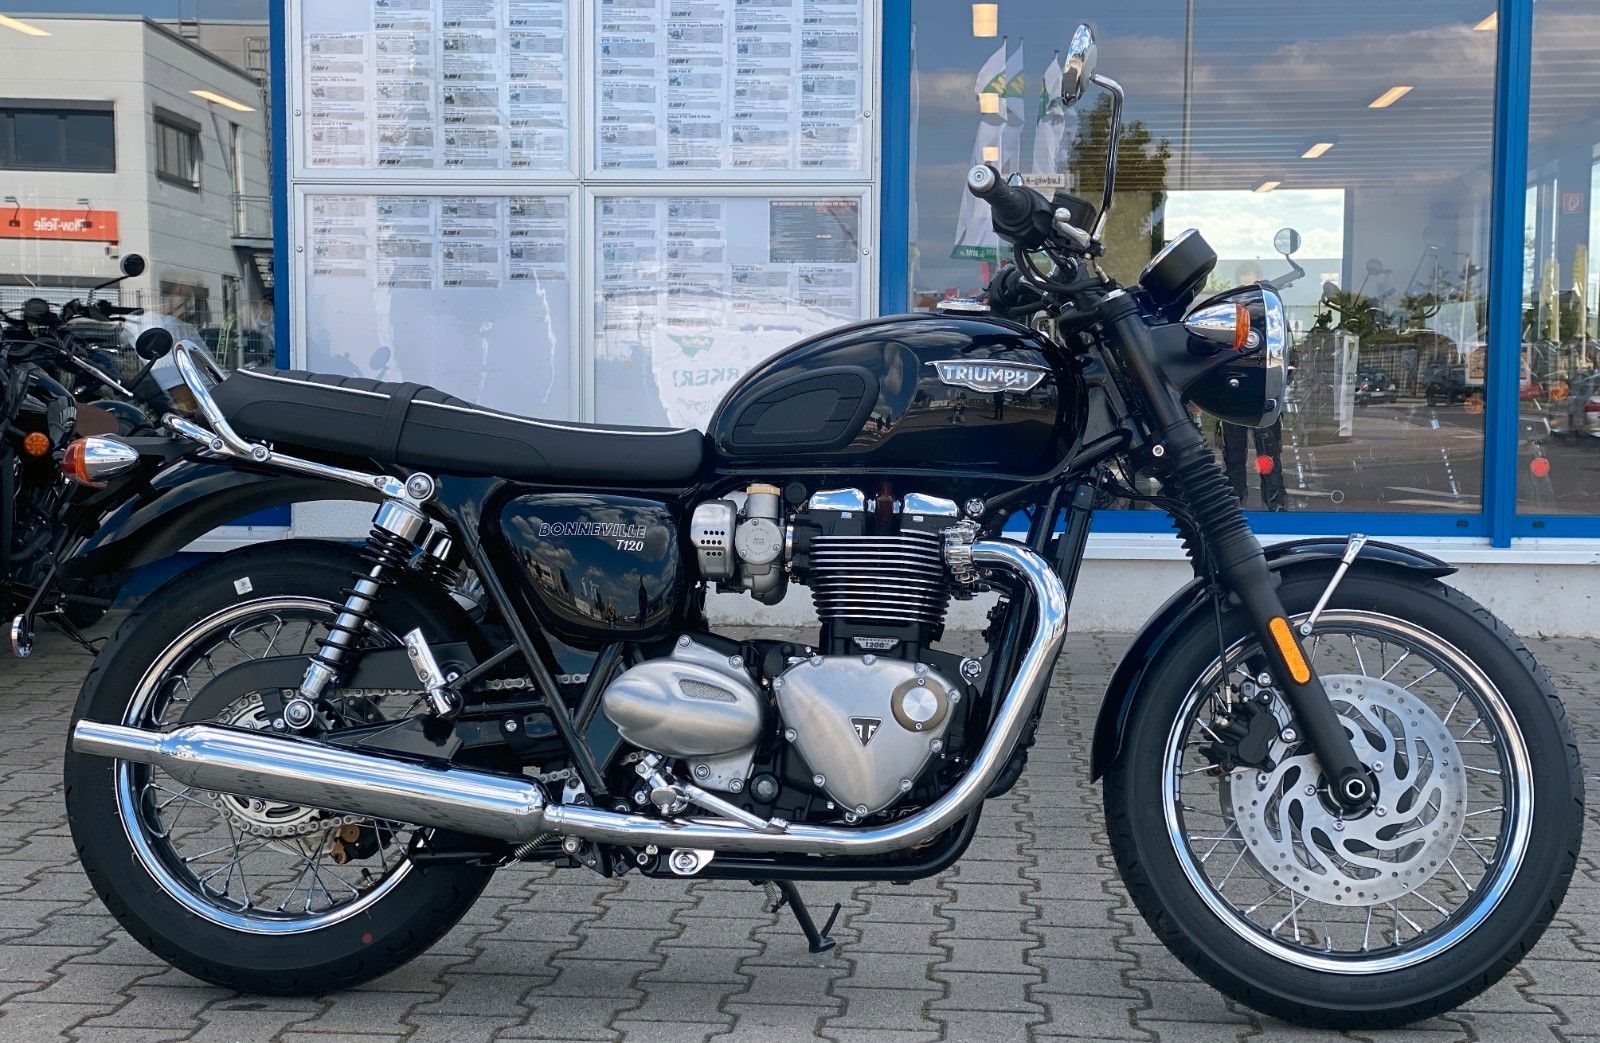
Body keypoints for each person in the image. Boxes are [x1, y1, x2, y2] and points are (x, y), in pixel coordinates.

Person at [1219, 260, 1287, 510]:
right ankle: (1235, 501)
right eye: (1243, 284)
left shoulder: (1270, 317)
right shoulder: (1230, 314)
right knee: (1234, 452)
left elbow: (1284, 351)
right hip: (1236, 391)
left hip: (1262, 391)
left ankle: (1275, 503)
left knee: (1267, 452)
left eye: (1251, 283)